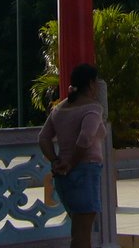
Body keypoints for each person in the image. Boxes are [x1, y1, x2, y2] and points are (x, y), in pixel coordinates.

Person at [39, 63, 107, 248]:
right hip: (85, 171)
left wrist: (56, 160)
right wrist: (70, 163)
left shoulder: (59, 109)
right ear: (92, 84)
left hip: (64, 177)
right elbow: (85, 138)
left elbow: (43, 138)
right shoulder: (92, 108)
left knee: (78, 230)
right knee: (82, 235)